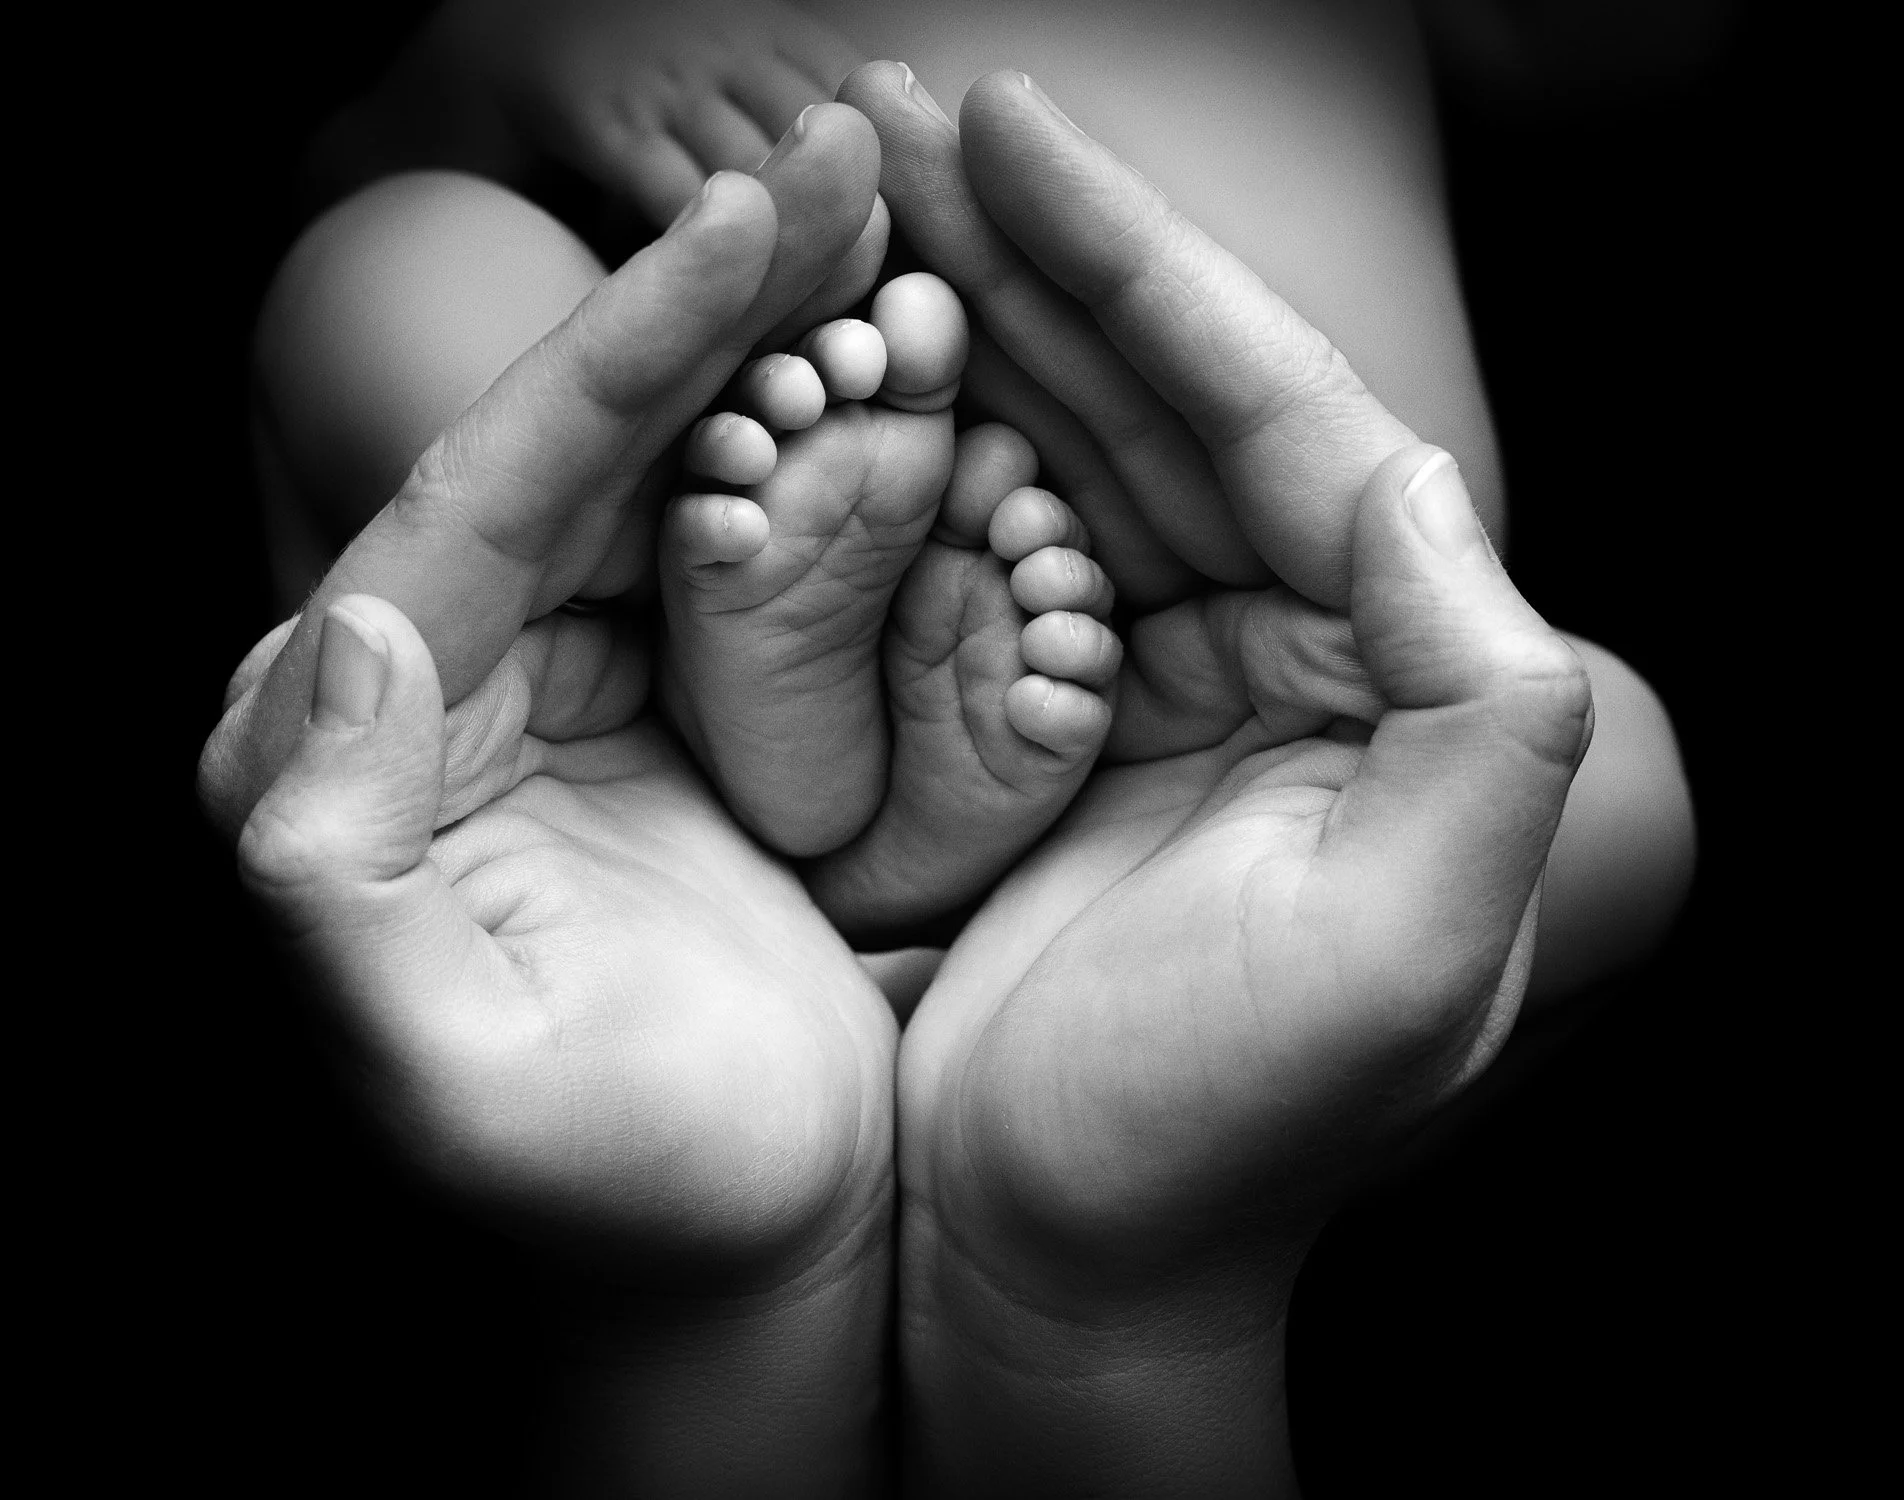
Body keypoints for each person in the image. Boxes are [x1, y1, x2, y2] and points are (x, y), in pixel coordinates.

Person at [251, 0, 1692, 987]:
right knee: (390, 266)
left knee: (1615, 784)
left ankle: (906, 882)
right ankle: (731, 740)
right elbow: (338, 155)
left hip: (1312, 673)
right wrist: (510, 43)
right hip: (703, 482)